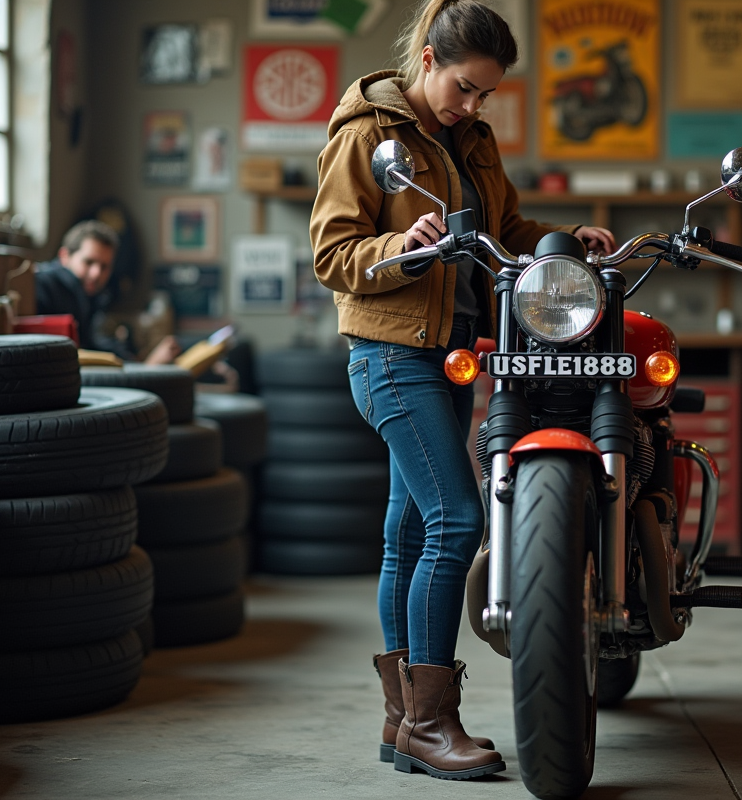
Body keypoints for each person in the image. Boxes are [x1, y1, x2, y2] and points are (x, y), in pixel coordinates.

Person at [310, 0, 616, 782]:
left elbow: (504, 228)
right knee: (456, 517)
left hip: (451, 354)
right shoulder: (368, 135)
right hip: (388, 352)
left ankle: (399, 719)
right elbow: (333, 251)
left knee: (407, 533)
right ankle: (430, 721)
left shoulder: (470, 141)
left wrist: (563, 239)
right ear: (428, 62)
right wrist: (399, 244)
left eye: (486, 94)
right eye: (465, 87)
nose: (473, 105)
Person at [35, 220, 180, 364]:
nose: (96, 273)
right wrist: (149, 366)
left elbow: (91, 344)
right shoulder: (43, 286)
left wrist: (133, 362)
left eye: (104, 267)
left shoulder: (92, 296)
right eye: (89, 262)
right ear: (64, 256)